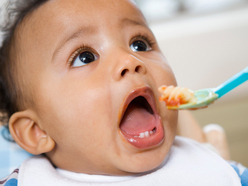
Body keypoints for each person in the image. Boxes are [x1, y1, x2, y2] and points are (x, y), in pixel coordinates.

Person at [0, 0, 246, 185]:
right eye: (85, 57)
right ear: (37, 131)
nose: (129, 60)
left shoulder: (217, 171)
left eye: (139, 44)